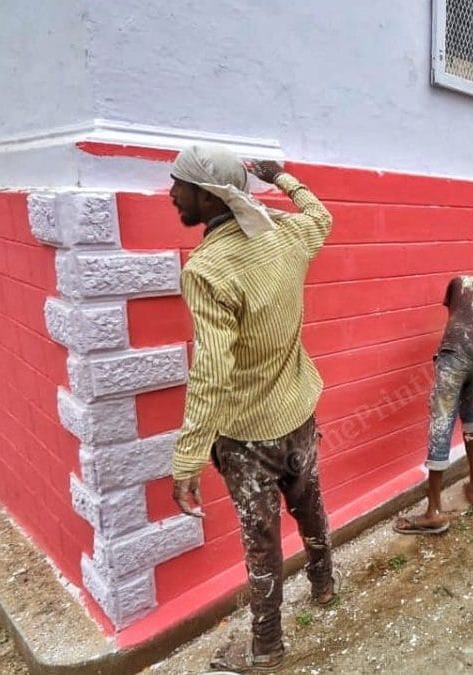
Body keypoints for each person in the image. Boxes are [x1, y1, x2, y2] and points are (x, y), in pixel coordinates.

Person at [166, 144, 338, 672]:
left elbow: (212, 374)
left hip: (247, 437)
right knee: (309, 506)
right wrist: (282, 177)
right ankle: (325, 584)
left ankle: (266, 647)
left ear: (208, 194)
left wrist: (187, 460)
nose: (171, 194)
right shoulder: (285, 235)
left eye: (179, 185)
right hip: (298, 415)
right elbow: (322, 216)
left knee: (261, 543)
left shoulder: (207, 269)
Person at [394, 271, 473, 535]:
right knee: (471, 411)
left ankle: (434, 512)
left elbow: (456, 314)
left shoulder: (465, 282)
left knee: (442, 419)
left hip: (458, 354)